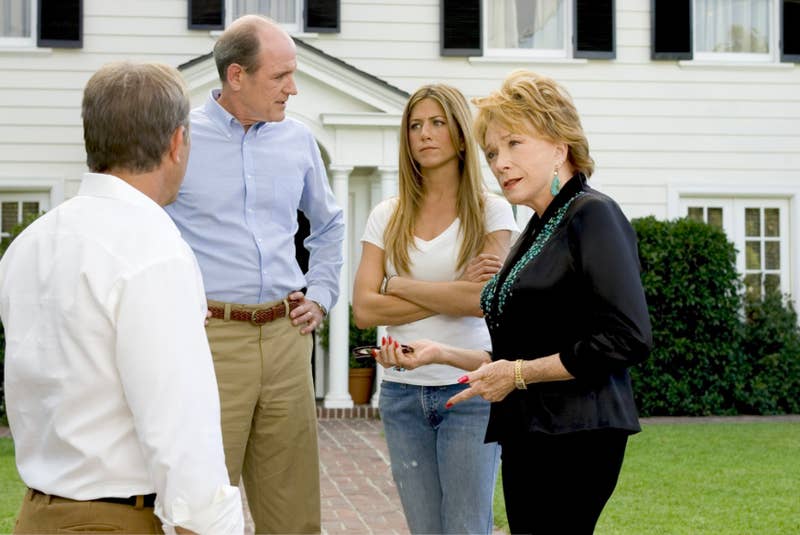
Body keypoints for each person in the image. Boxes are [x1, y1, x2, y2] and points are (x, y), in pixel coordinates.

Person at [382, 70, 653, 534]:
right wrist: (442, 353)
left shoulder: (592, 214)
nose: (500, 163)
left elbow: (626, 339)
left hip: (577, 434)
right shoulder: (534, 229)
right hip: (531, 431)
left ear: (559, 145)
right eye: (491, 152)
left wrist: (519, 374)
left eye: (513, 144)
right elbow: (519, 352)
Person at [0, 62, 244, 534]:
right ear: (177, 143)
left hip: (37, 515)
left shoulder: (30, 243)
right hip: (115, 518)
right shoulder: (154, 251)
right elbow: (181, 430)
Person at [165, 15, 344, 534]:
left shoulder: (299, 141)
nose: (293, 87)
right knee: (201, 507)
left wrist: (323, 293)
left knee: (294, 512)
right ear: (236, 76)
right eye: (281, 75)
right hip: (211, 339)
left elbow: (328, 226)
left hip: (288, 337)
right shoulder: (179, 140)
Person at [352, 83, 517, 534]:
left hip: (471, 392)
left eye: (437, 123)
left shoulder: (492, 212)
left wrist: (398, 284)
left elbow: (482, 303)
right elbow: (365, 309)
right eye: (415, 125)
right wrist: (453, 289)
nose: (424, 134)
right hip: (402, 394)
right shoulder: (387, 215)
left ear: (461, 135)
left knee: (465, 528)